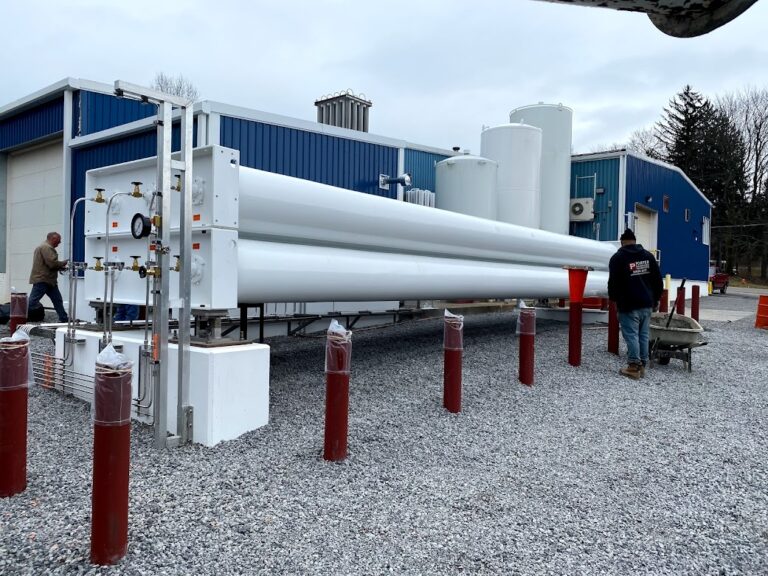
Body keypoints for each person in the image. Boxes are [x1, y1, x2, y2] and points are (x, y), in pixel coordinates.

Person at [608, 228, 663, 379]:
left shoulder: (617, 258)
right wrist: (656, 299)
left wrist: (613, 299)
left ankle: (633, 366)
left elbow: (613, 283)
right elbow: (657, 281)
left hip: (628, 304)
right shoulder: (648, 256)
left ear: (622, 242)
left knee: (631, 335)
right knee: (643, 335)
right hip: (646, 303)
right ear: (635, 241)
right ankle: (642, 365)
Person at [28, 232, 69, 322]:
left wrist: (60, 267)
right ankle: (18, 317)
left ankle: (64, 319)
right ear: (53, 239)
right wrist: (63, 263)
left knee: (57, 300)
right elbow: (52, 263)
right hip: (43, 279)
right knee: (32, 302)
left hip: (48, 280)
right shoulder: (47, 248)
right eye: (58, 240)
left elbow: (48, 264)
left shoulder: (43, 247)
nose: (60, 242)